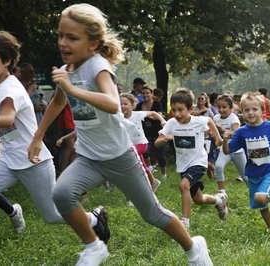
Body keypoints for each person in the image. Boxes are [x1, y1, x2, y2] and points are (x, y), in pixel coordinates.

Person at [27, 5, 212, 266]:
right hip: (90, 157)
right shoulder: (68, 69)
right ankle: (93, 246)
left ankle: (195, 250)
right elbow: (58, 101)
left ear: (93, 44)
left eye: (72, 37)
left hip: (120, 157)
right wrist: (38, 136)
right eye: (61, 35)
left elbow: (112, 103)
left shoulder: (98, 66)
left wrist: (72, 88)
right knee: (61, 193)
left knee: (153, 214)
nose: (63, 43)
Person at [0, 30, 108, 244]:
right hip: (8, 160)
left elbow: (7, 119)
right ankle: (14, 211)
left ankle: (93, 218)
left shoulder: (10, 88)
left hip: (33, 162)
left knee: (53, 215)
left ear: (7, 60)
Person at [222, 92, 270, 233]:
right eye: (246, 110)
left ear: (262, 111)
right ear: (242, 113)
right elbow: (228, 151)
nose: (250, 113)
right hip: (253, 172)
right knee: (262, 205)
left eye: (254, 109)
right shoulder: (241, 132)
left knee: (260, 197)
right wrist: (225, 140)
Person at [155, 88, 228, 230]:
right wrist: (163, 140)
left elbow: (209, 120)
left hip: (199, 162)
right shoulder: (171, 123)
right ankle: (220, 200)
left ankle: (184, 223)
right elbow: (156, 143)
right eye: (174, 110)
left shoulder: (198, 121)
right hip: (183, 165)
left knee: (183, 186)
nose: (177, 114)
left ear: (190, 109)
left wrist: (218, 138)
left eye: (181, 110)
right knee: (199, 200)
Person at [120, 93, 162, 205]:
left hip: (141, 144)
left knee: (128, 166)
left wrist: (162, 120)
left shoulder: (137, 114)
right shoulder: (117, 117)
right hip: (128, 146)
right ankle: (153, 182)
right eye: (120, 104)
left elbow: (153, 113)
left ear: (132, 105)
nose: (122, 106)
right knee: (142, 167)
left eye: (125, 104)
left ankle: (131, 197)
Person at [213, 93, 248, 193]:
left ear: (231, 107)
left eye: (224, 107)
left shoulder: (234, 118)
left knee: (245, 177)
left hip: (236, 150)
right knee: (218, 167)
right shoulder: (216, 118)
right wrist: (216, 138)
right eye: (219, 107)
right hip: (224, 149)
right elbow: (215, 133)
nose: (221, 110)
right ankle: (222, 193)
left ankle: (256, 191)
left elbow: (235, 135)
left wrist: (222, 128)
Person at [136, 86, 167, 178]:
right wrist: (152, 114)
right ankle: (150, 167)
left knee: (160, 156)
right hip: (146, 133)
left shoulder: (157, 104)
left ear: (151, 94)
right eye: (143, 93)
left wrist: (146, 114)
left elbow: (159, 116)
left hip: (158, 133)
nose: (145, 95)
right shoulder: (139, 106)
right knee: (145, 152)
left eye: (147, 93)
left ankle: (163, 174)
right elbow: (138, 118)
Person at [56, 102, 76, 175]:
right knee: (70, 147)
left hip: (75, 123)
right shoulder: (66, 94)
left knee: (75, 149)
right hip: (68, 123)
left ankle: (72, 170)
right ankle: (61, 170)